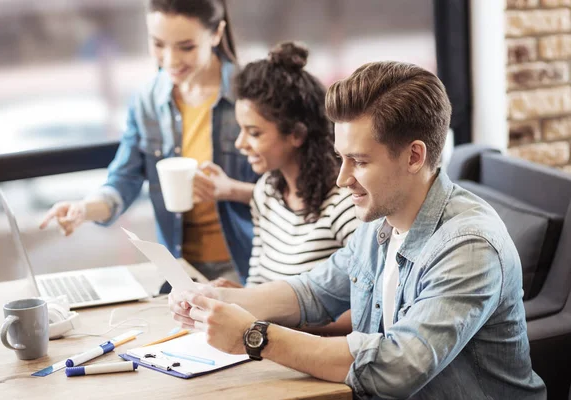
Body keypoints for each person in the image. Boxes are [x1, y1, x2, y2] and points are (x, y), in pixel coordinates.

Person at [169, 61, 547, 399]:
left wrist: (256, 337)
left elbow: (398, 366)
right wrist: (213, 302)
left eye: (359, 161)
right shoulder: (380, 219)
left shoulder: (469, 246)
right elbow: (314, 292)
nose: (342, 178)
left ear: (414, 156)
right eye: (340, 158)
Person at [39, 0, 257, 285]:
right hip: (179, 271)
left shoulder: (252, 94)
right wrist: (84, 210)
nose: (170, 60)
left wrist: (230, 190)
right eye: (158, 44)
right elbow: (124, 179)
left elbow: (291, 193)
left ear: (216, 34)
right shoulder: (148, 101)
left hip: (246, 267)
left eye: (186, 47)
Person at [209, 42, 359, 288]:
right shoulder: (266, 191)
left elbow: (364, 309)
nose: (240, 143)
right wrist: (236, 295)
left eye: (254, 133)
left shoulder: (343, 206)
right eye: (241, 130)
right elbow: (257, 283)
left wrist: (269, 312)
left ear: (297, 135)